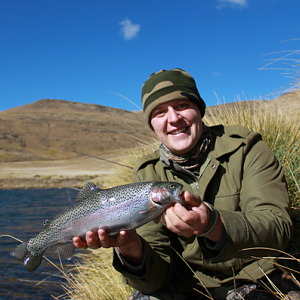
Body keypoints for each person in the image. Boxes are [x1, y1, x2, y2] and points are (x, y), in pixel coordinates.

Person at [73, 68, 298, 299]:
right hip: (185, 286)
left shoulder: (247, 149)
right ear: (152, 125)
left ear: (198, 110)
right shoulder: (146, 173)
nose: (173, 118)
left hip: (256, 277)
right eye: (159, 112)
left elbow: (278, 227)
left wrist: (213, 224)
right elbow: (154, 281)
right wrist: (130, 246)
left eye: (181, 106)